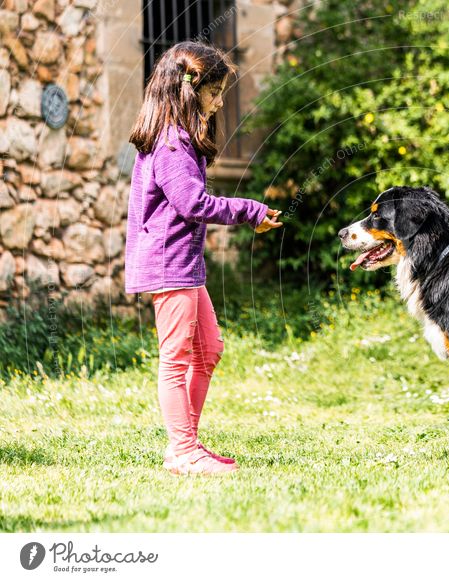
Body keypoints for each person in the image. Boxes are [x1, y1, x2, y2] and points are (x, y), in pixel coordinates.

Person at [125, 41, 282, 475]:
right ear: (192, 92)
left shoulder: (176, 138)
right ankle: (182, 450)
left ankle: (186, 445)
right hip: (168, 265)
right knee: (175, 358)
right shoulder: (172, 144)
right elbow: (194, 203)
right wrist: (250, 210)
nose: (217, 103)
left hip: (183, 265)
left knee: (208, 349)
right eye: (215, 93)